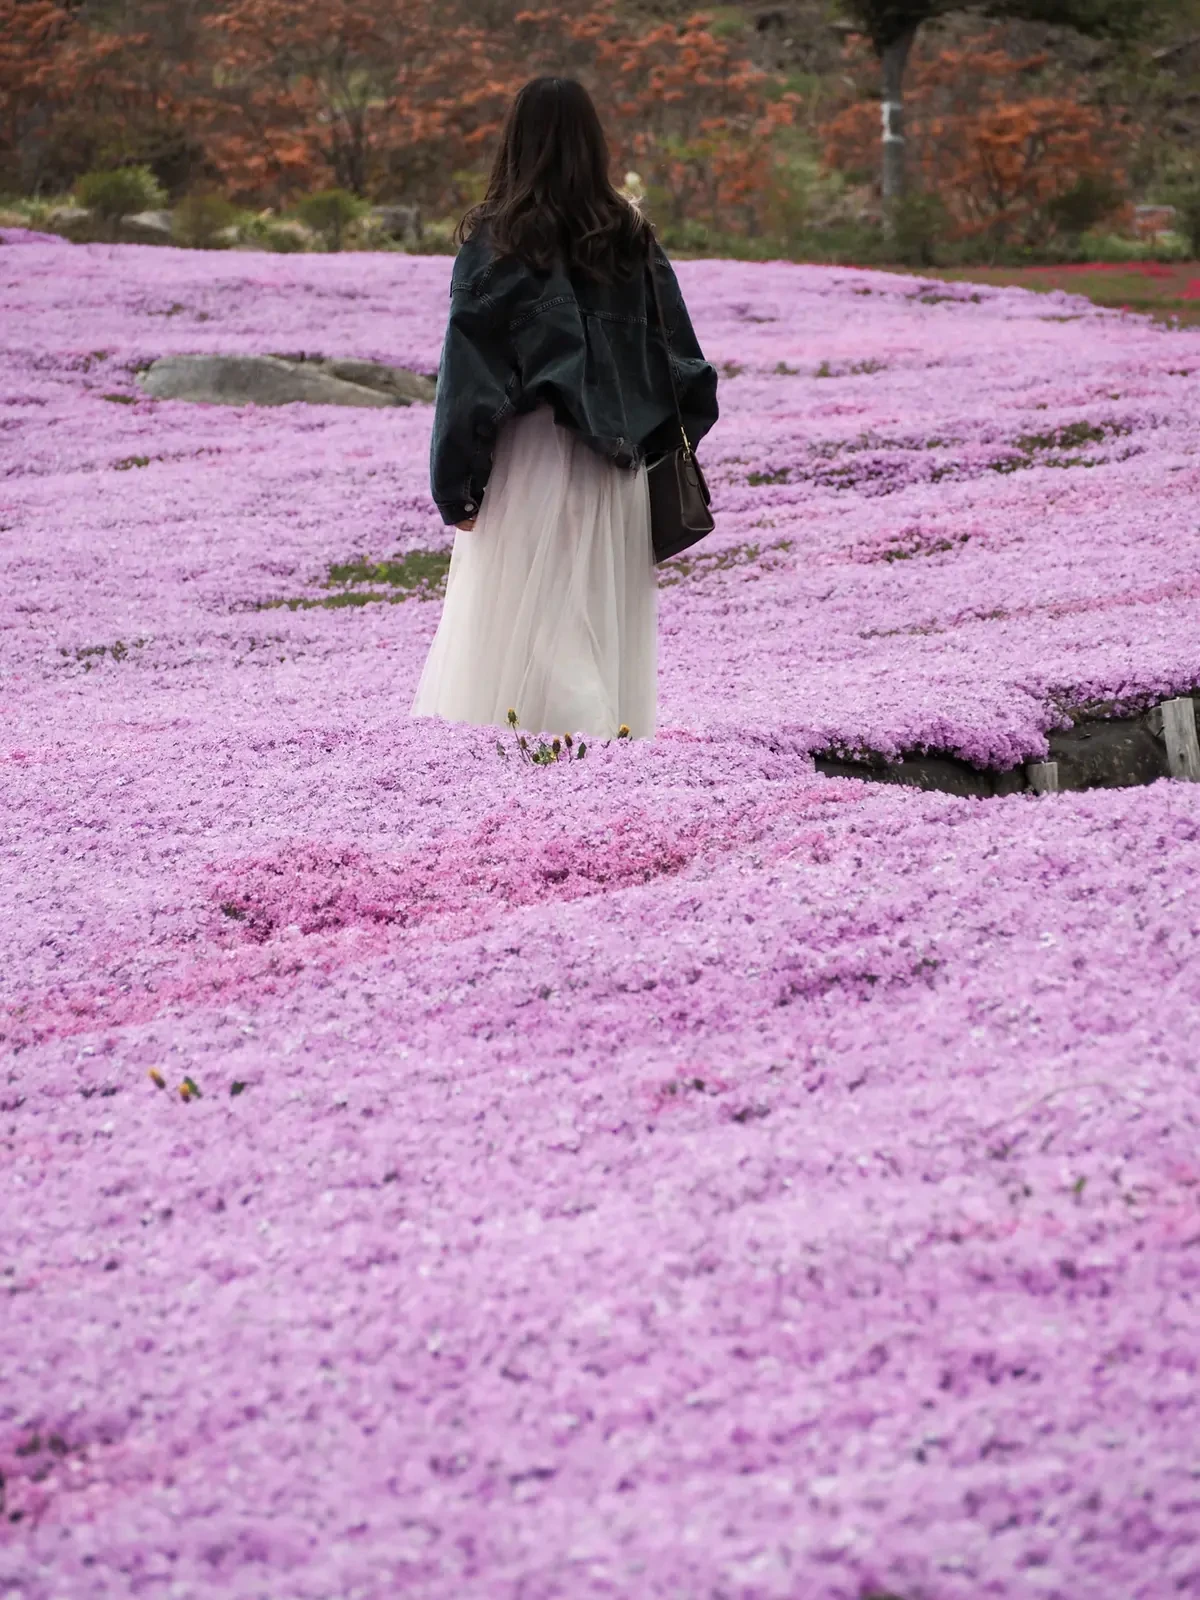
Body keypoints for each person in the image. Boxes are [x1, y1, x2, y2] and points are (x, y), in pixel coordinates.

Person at [410, 76, 719, 740]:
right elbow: (686, 370)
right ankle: (597, 778)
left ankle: (573, 775)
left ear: (515, 142)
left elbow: (470, 377)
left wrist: (458, 487)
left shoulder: (499, 239)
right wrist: (641, 436)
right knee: (588, 627)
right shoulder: (630, 236)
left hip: (534, 460)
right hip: (617, 467)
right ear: (592, 142)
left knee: (536, 631)